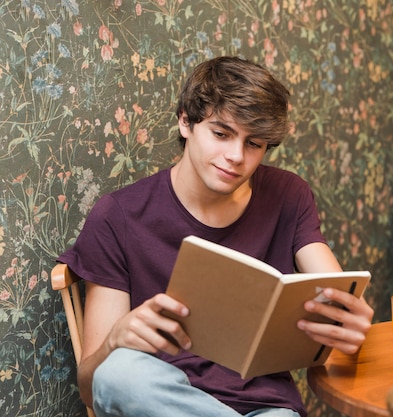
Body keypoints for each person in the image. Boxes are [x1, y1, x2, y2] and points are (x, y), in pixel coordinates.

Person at [57, 55, 374, 417]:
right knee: (119, 373)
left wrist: (349, 321)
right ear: (185, 122)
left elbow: (334, 291)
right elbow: (91, 386)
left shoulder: (288, 195)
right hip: (158, 403)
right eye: (221, 134)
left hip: (265, 409)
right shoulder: (119, 216)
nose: (236, 156)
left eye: (254, 144)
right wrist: (115, 340)